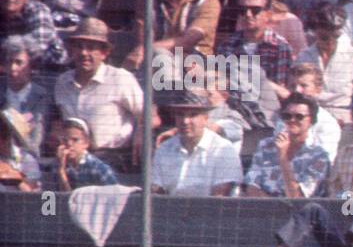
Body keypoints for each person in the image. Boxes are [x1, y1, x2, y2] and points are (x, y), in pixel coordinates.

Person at [53, 17, 147, 169]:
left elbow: (149, 114)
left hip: (113, 158)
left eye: (91, 47)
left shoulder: (120, 78)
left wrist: (141, 132)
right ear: (71, 50)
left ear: (104, 53)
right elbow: (58, 119)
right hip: (73, 157)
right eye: (79, 46)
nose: (84, 53)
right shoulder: (62, 82)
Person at [150, 88, 243, 196]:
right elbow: (156, 192)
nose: (185, 121)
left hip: (207, 210)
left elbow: (220, 200)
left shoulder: (223, 150)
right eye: (180, 114)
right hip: (169, 210)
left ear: (205, 118)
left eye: (193, 115)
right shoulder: (164, 149)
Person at [243, 92, 332, 198]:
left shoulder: (319, 156)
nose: (292, 120)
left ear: (311, 121)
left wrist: (283, 158)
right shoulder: (266, 146)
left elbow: (298, 198)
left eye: (299, 117)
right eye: (287, 116)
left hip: (300, 212)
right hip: (263, 208)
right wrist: (274, 208)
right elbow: (251, 187)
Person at [297, 4, 353, 124]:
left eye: (334, 37)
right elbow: (296, 92)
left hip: (344, 117)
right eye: (324, 37)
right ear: (315, 32)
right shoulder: (304, 57)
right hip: (311, 117)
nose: (330, 42)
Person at [1, 37, 49, 154]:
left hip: (28, 160)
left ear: (31, 66)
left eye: (19, 62)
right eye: (9, 62)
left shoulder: (41, 97)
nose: (13, 68)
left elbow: (34, 144)